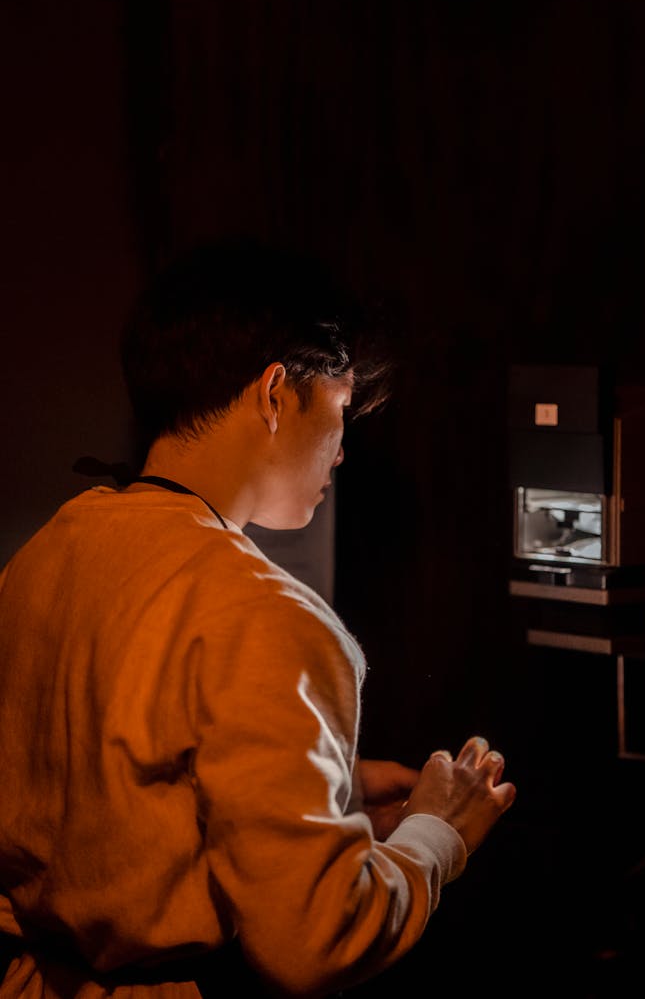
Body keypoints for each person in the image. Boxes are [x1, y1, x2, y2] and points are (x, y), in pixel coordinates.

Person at [0, 239, 516, 998]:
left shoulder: (46, 552)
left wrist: (326, 793)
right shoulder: (266, 613)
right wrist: (436, 833)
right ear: (276, 393)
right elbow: (316, 937)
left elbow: (109, 798)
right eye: (341, 408)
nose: (341, 452)